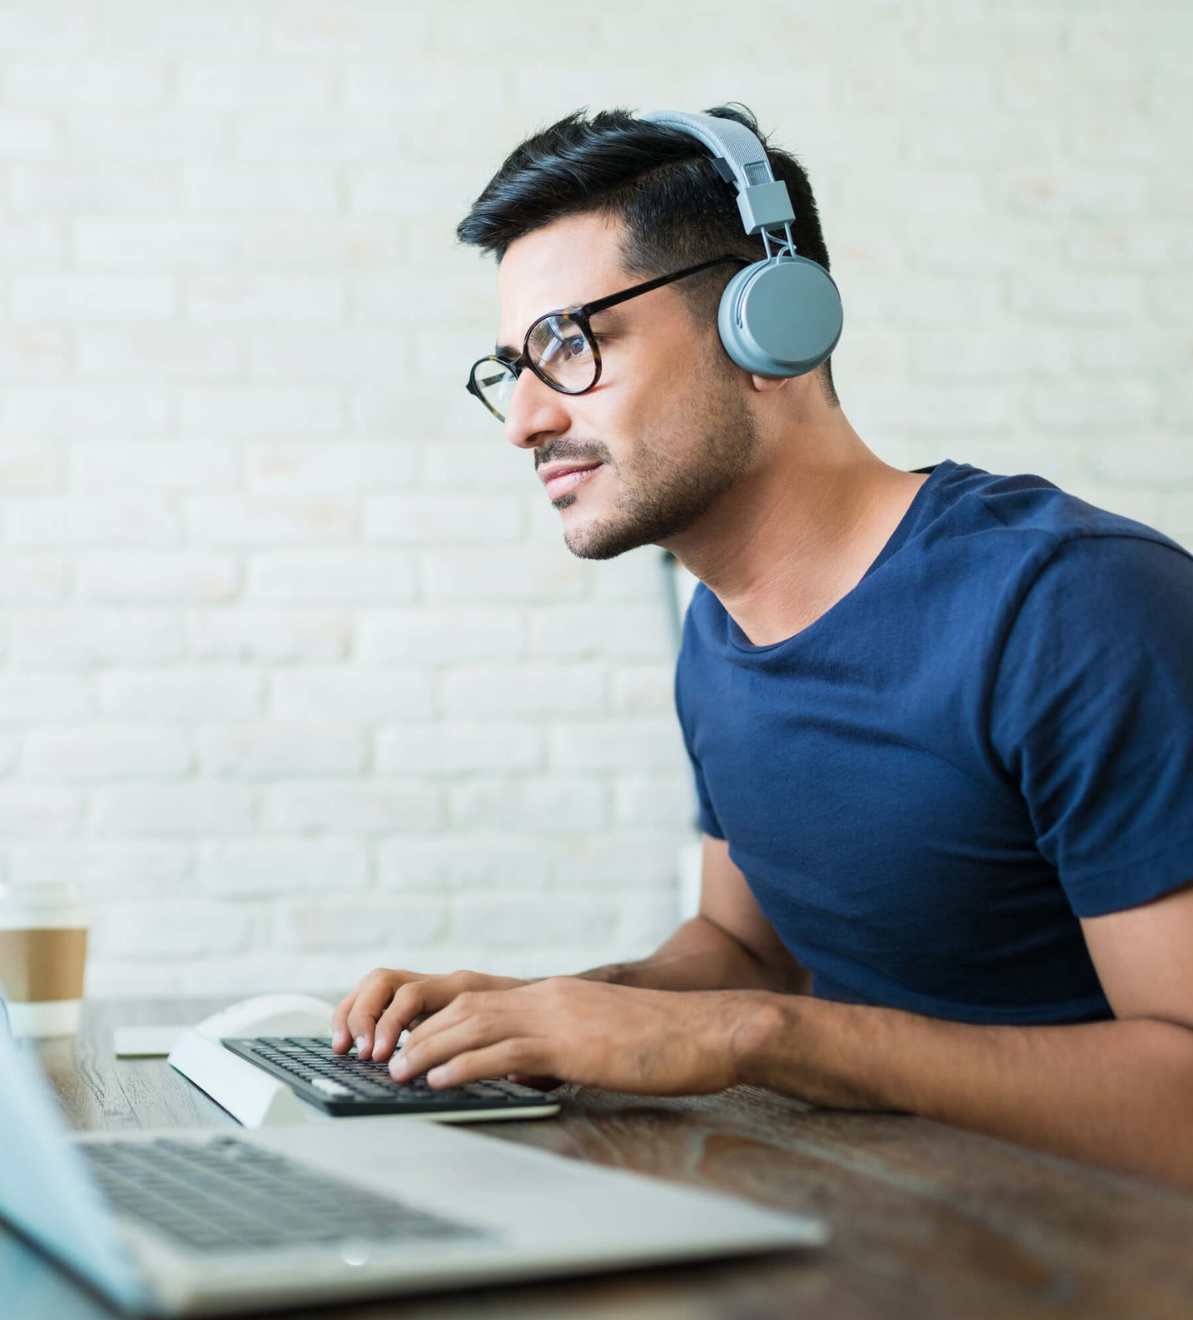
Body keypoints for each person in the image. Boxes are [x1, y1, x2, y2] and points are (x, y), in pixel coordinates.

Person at [333, 106, 1193, 1190]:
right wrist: (533, 1011)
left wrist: (758, 1036)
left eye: (568, 344)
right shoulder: (716, 628)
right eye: (514, 366)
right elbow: (745, 953)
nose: (524, 422)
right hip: (880, 1231)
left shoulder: (1074, 607)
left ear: (768, 329)